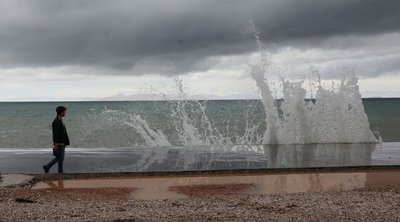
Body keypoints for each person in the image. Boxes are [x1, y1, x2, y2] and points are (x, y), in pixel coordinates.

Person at [43, 106, 70, 173]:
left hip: (62, 142)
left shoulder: (60, 119)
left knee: (61, 157)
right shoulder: (56, 121)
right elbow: (55, 134)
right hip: (59, 143)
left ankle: (60, 170)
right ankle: (47, 166)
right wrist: (56, 144)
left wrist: (65, 142)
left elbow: (63, 132)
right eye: (64, 111)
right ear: (61, 112)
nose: (65, 113)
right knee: (59, 157)